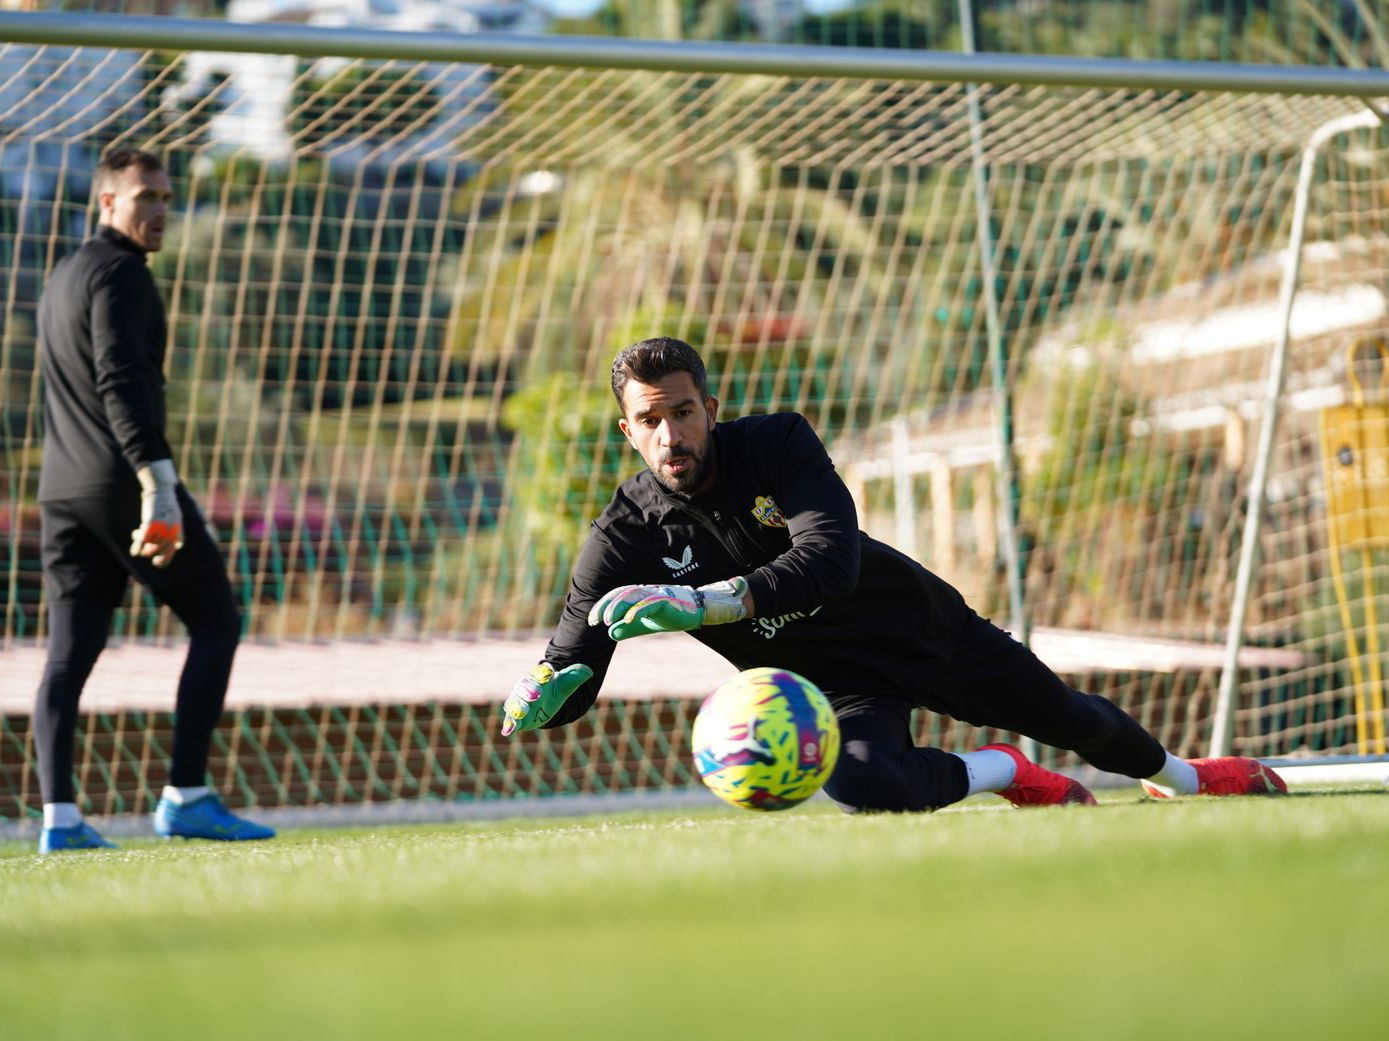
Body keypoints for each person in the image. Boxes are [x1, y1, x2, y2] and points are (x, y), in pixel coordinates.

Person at [500, 336, 1287, 813]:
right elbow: (576, 652)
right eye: (649, 419)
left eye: (681, 411)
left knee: (1075, 719)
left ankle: (1188, 778)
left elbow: (830, 562)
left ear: (710, 405)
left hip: (920, 628)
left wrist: (703, 603)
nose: (669, 433)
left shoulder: (777, 444)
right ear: (626, 429)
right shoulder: (622, 535)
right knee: (862, 787)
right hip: (837, 692)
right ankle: (1000, 770)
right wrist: (544, 691)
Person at [32, 148, 273, 853]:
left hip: (61, 491)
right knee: (217, 619)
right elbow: (119, 381)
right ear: (107, 202)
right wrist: (158, 486)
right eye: (146, 197)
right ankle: (186, 796)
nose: (161, 210)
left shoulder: (64, 275)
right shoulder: (122, 272)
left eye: (167, 196)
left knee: (69, 653)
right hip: (121, 487)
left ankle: (60, 820)